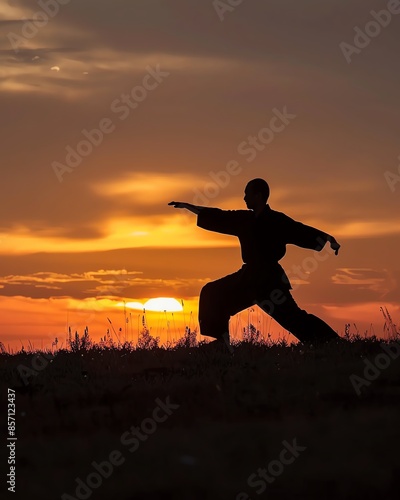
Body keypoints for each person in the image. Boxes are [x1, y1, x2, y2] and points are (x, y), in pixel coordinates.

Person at [168, 178, 342, 348]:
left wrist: (328, 238)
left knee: (294, 318)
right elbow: (219, 215)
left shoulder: (277, 221)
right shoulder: (244, 219)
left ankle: (332, 343)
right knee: (213, 293)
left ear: (258, 196)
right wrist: (190, 207)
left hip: (269, 281)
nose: (244, 198)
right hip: (247, 279)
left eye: (247, 194)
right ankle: (222, 344)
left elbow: (300, 230)